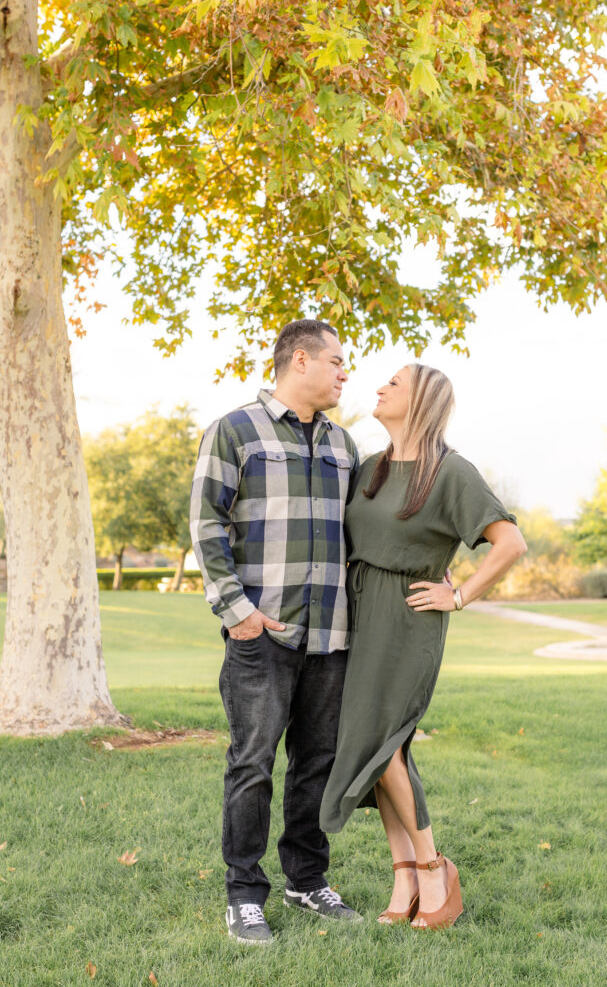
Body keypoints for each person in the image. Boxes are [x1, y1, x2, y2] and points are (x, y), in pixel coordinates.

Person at [319, 363, 527, 929]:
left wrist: (458, 596)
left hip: (407, 621)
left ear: (423, 402)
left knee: (384, 747)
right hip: (358, 618)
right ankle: (404, 876)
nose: (379, 388)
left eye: (394, 384)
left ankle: (435, 869)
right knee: (381, 749)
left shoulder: (451, 471)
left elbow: (509, 542)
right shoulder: (371, 468)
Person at [190, 319, 362, 946]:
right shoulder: (236, 430)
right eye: (338, 361)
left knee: (316, 763)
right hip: (262, 635)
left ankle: (306, 878)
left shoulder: (346, 444)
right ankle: (243, 893)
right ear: (299, 360)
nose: (346, 373)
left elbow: (362, 533)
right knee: (253, 765)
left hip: (332, 638)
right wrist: (237, 613)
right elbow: (206, 522)